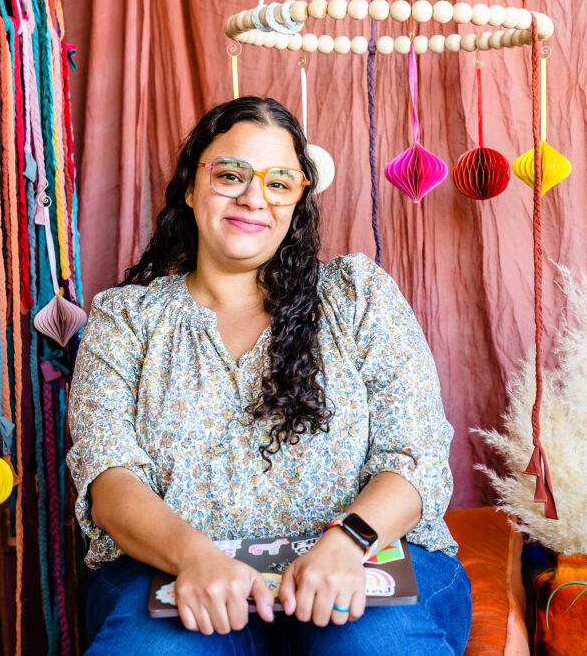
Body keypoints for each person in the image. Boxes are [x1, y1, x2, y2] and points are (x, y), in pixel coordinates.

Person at [66, 97, 471, 655]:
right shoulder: (125, 319)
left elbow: (416, 455)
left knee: (376, 647)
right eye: (231, 175)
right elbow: (109, 482)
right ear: (189, 187)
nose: (255, 198)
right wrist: (195, 557)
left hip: (364, 562)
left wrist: (346, 543)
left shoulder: (357, 297)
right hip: (178, 573)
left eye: (280, 183)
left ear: (297, 199)